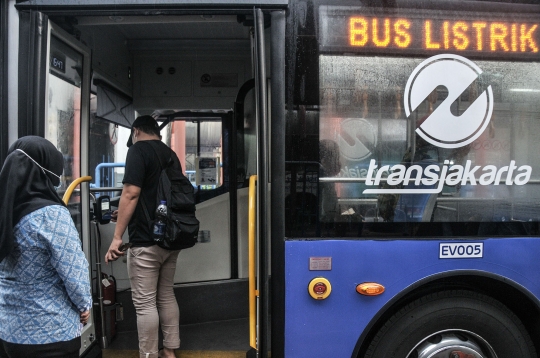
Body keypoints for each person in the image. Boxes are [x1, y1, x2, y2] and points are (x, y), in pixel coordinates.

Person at [0, 136, 92, 358]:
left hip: (9, 330)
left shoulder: (5, 210)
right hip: (51, 332)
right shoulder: (51, 215)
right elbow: (73, 270)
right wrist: (84, 305)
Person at [105, 115, 181, 358]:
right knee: (166, 294)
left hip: (145, 240)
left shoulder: (138, 151)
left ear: (136, 131)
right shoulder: (171, 154)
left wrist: (117, 237)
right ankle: (169, 351)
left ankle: (149, 355)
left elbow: (131, 193)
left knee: (145, 303)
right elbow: (157, 195)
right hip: (170, 238)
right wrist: (125, 214)